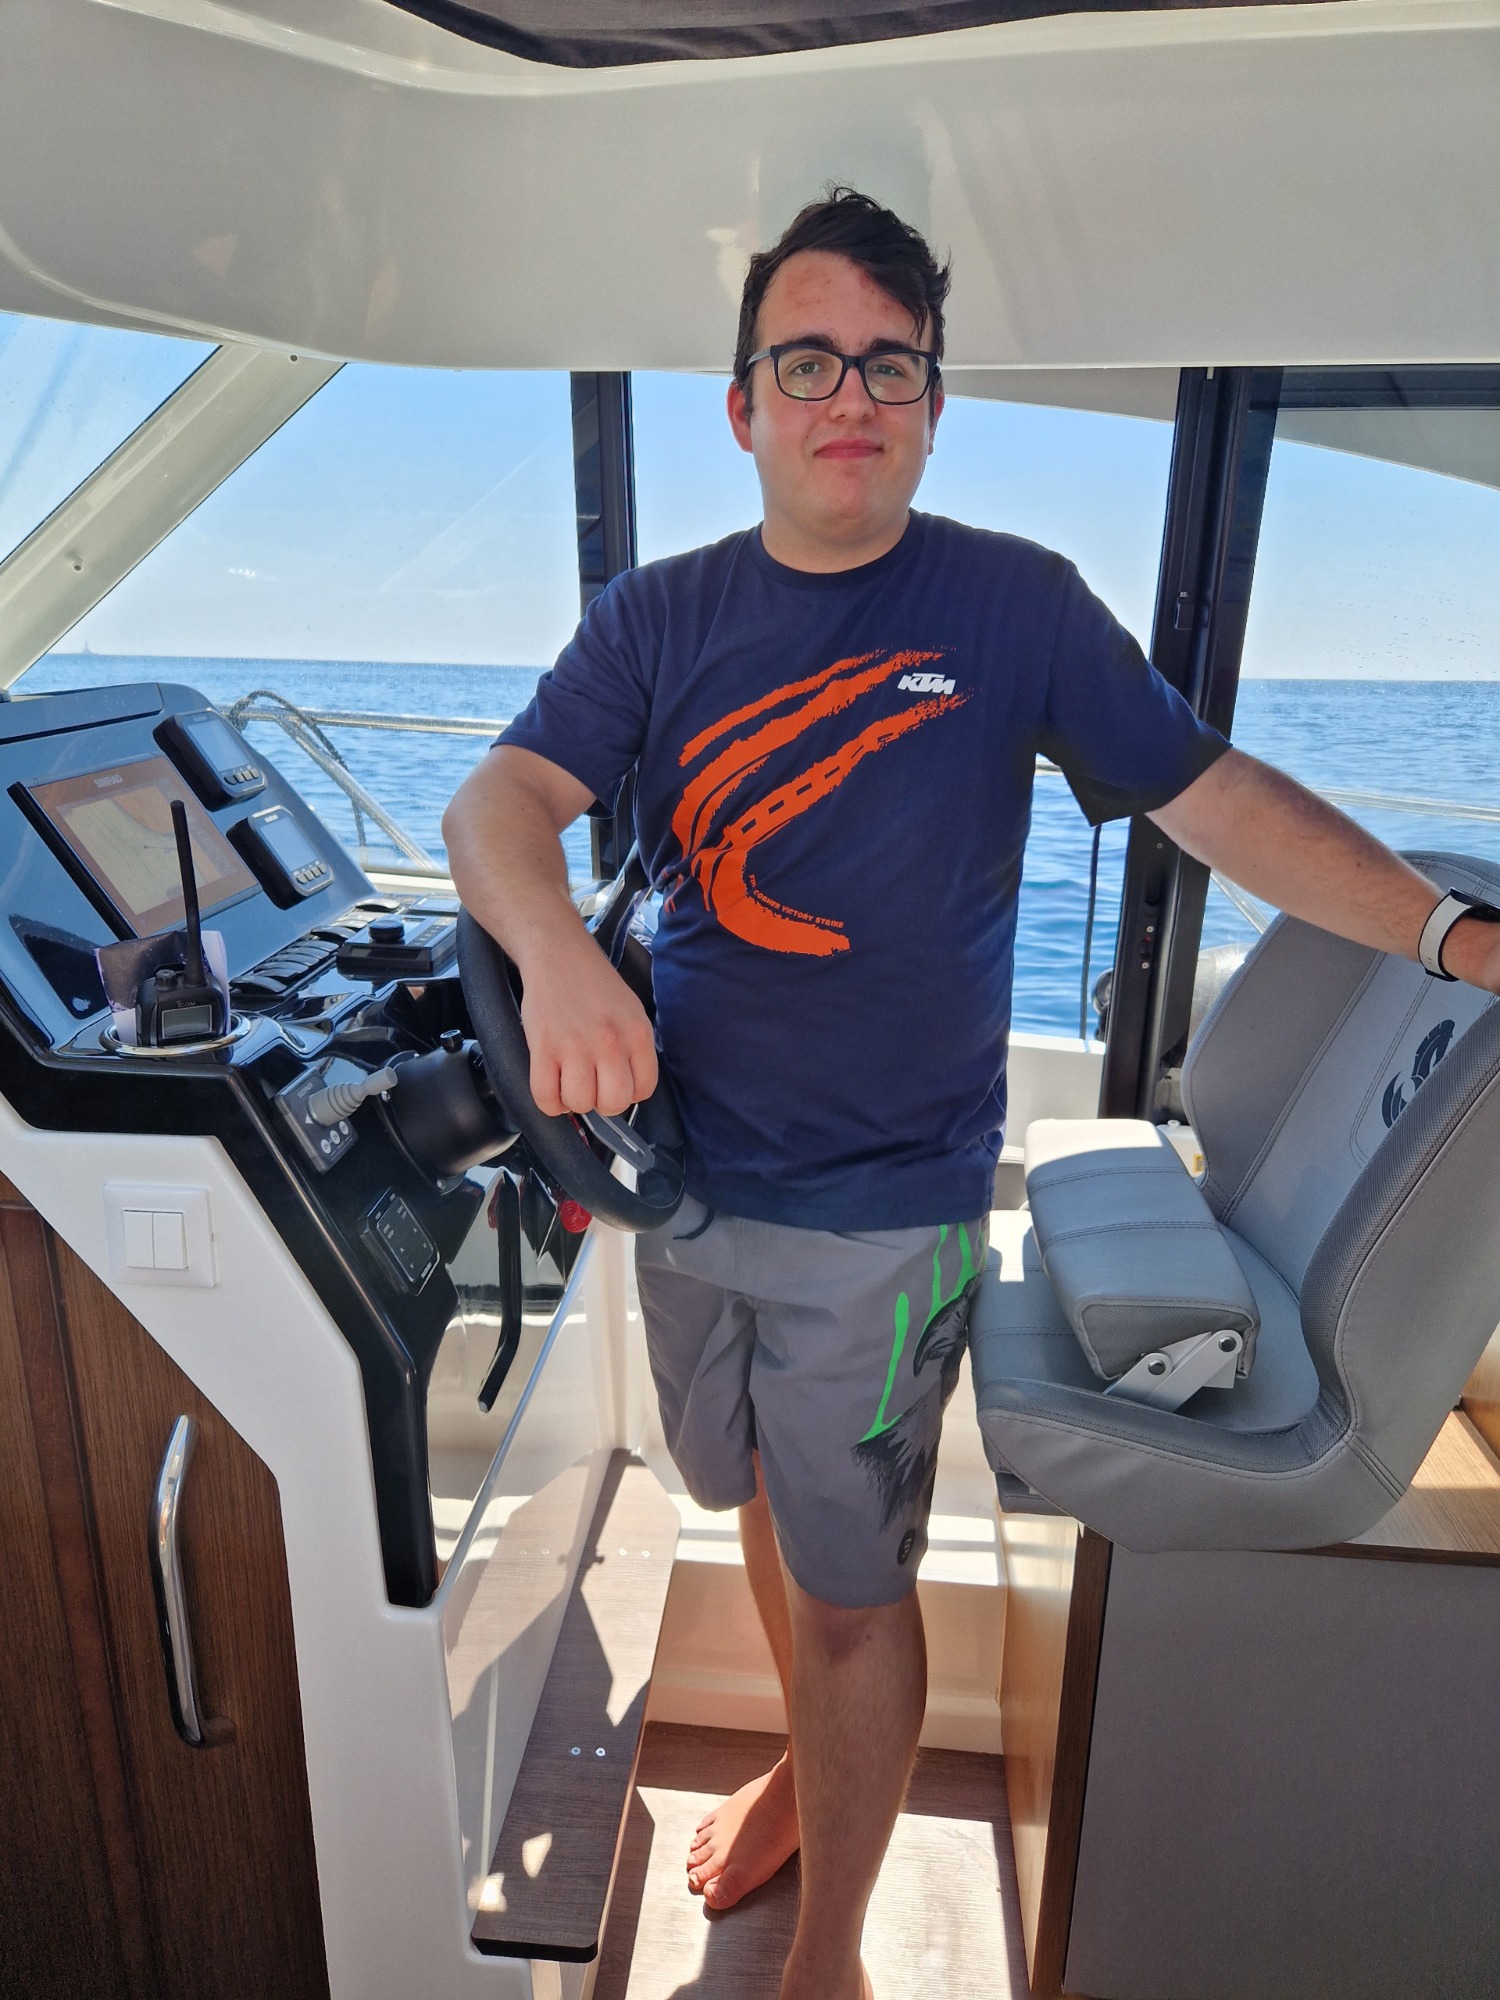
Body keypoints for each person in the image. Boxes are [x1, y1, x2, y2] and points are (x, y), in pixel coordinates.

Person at [443, 189, 1500, 2000]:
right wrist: (554, 955)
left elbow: (1220, 802)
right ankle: (801, 1769)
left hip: (887, 1210)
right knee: (753, 1502)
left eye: (890, 364)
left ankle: (830, 1960)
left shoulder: (1015, 605)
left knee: (856, 1596)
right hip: (681, 1183)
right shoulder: (659, 616)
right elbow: (498, 805)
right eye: (807, 362)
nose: (848, 395)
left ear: (933, 406)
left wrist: (1450, 934)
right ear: (743, 405)